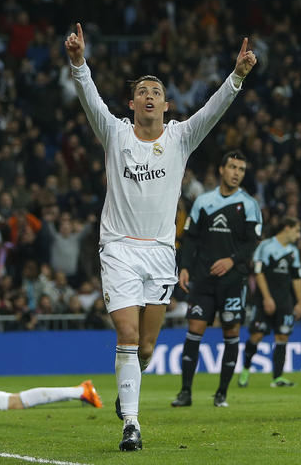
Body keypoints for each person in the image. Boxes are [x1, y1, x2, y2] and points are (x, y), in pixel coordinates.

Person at [64, 23, 256, 451]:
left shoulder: (180, 137)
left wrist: (237, 76)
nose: (149, 96)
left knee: (147, 348)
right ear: (132, 103)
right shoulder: (114, 133)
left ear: (166, 105)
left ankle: (127, 390)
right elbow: (89, 98)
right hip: (119, 248)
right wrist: (78, 64)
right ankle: (131, 424)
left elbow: (213, 110)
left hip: (161, 253)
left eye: (156, 92)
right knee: (127, 335)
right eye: (142, 92)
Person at [171, 150, 262, 408]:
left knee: (231, 331)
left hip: (233, 281)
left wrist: (231, 260)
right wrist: (184, 268)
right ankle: (185, 392)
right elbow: (191, 238)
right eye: (232, 167)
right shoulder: (203, 201)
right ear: (221, 170)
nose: (236, 173)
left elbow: (252, 241)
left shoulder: (249, 204)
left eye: (241, 169)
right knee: (194, 329)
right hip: (203, 278)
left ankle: (221, 393)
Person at [239, 217, 301, 388]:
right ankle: (245, 370)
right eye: (297, 230)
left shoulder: (293, 251)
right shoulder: (266, 246)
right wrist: (267, 298)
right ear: (287, 228)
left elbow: (297, 278)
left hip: (285, 301)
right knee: (257, 335)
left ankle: (277, 377)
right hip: (263, 301)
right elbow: (258, 273)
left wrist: (300, 302)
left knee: (282, 336)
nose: (299, 235)